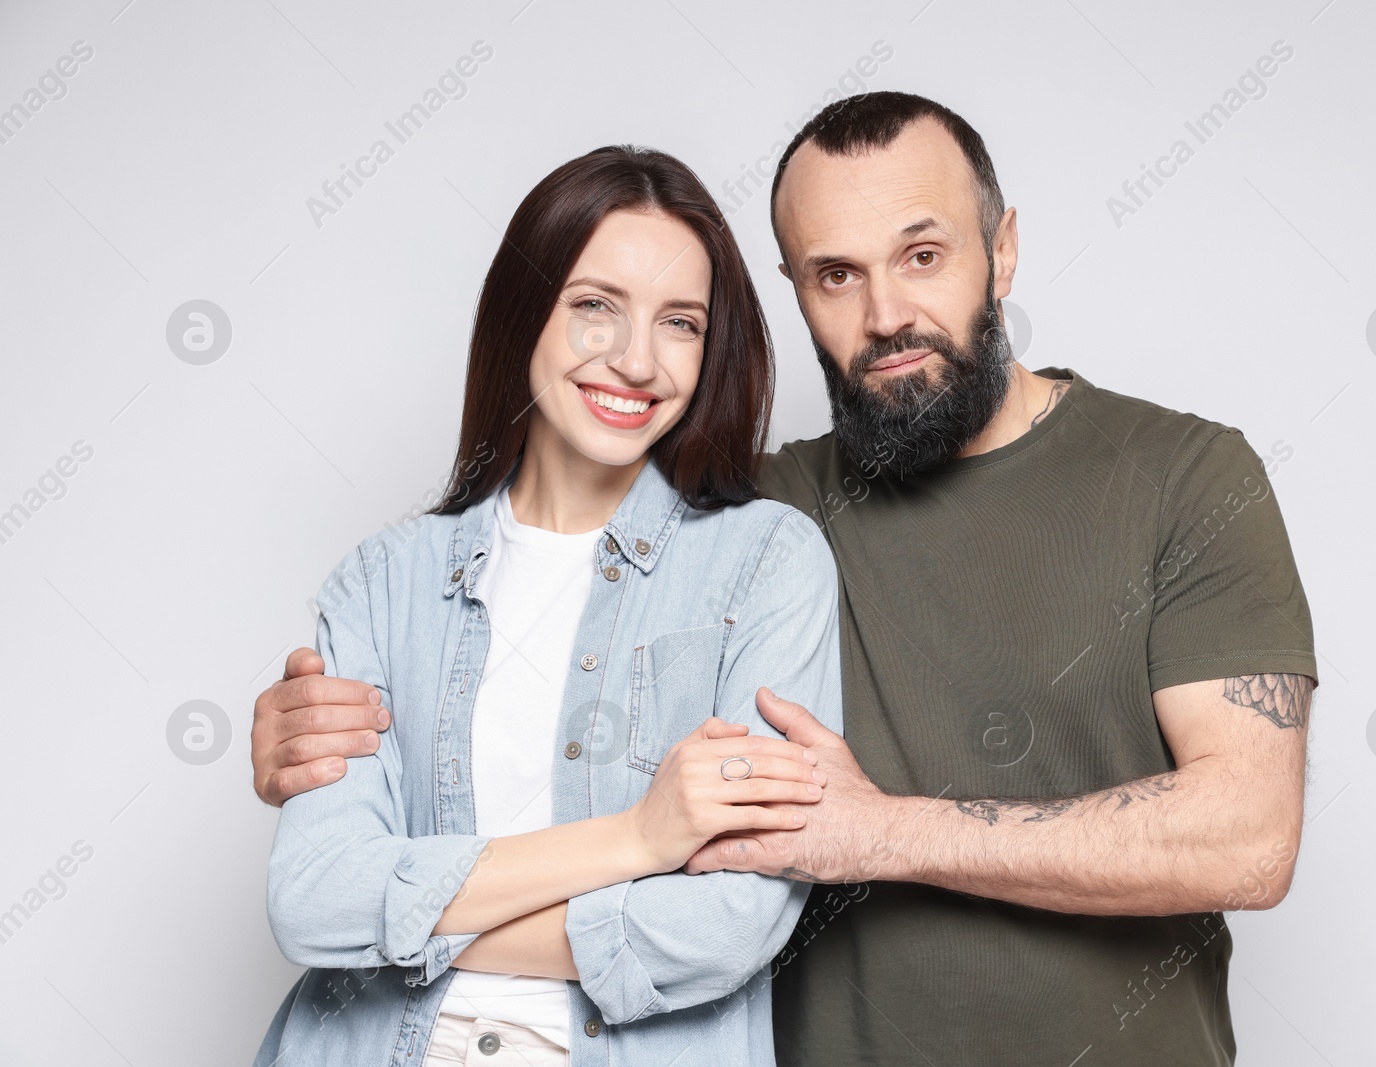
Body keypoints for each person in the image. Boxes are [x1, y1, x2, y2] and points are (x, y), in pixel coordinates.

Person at [253, 92, 1317, 1065]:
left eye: (922, 254)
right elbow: (539, 550)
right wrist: (308, 723)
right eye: (834, 274)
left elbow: (1248, 835)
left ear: (1003, 250)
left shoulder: (1181, 475)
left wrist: (878, 831)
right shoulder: (751, 517)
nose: (884, 313)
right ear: (794, 292)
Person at [252, 145, 845, 1067]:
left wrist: (405, 921)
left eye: (681, 322)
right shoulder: (383, 580)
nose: (638, 359)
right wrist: (639, 837)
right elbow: (313, 898)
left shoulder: (766, 561)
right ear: (525, 312)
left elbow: (729, 922)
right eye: (595, 306)